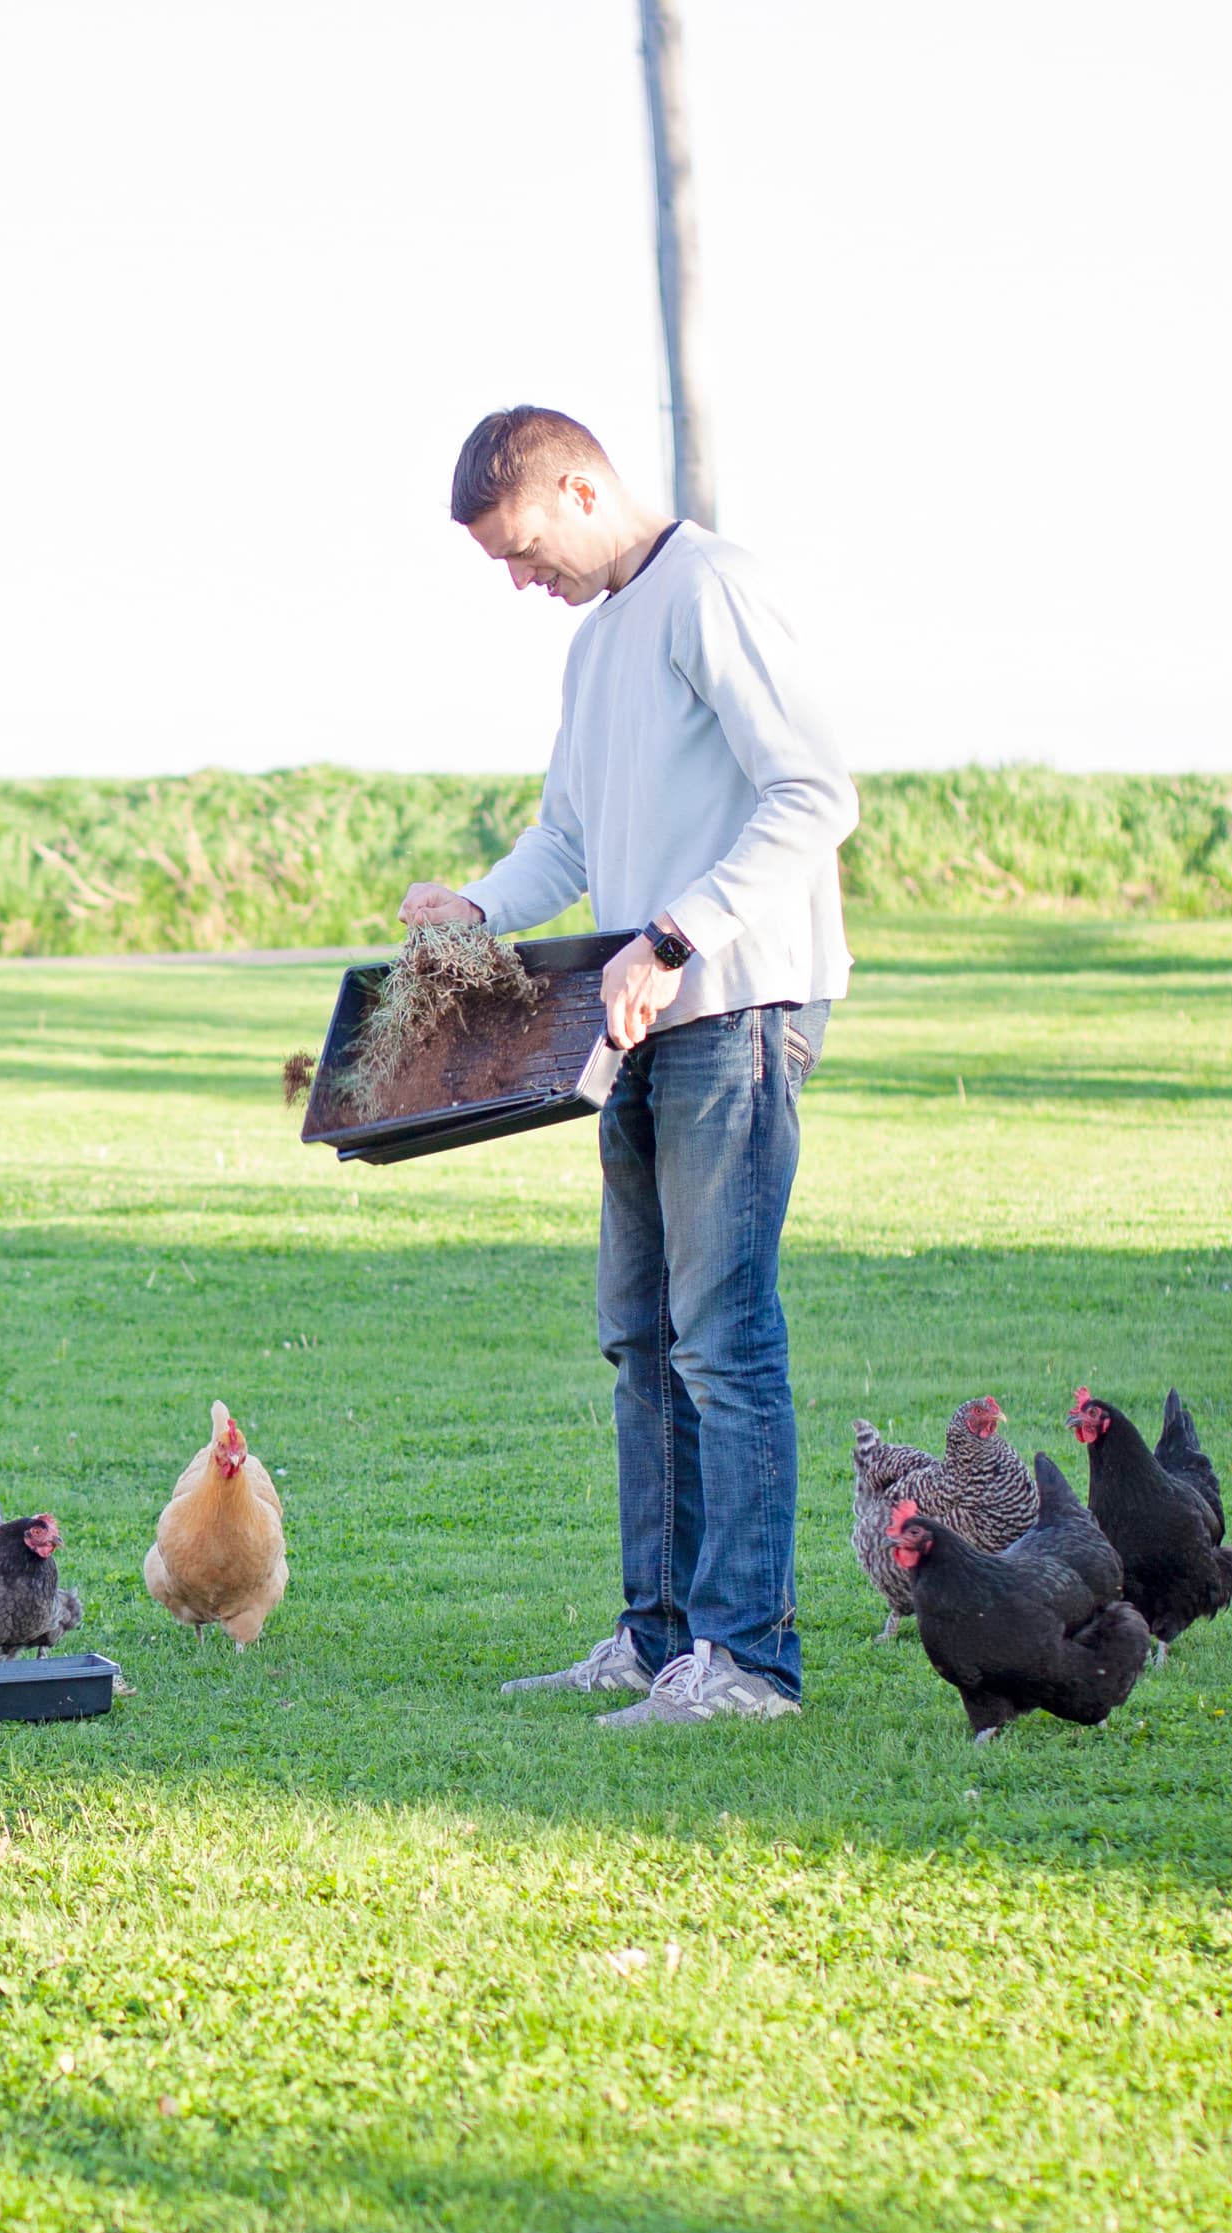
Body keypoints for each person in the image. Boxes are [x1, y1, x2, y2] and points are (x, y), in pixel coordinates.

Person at [398, 406, 854, 1728]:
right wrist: (478, 911)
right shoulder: (598, 646)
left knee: (721, 1338)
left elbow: (816, 793)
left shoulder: (714, 594)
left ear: (584, 489)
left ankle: (750, 1666)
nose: (518, 581)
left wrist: (673, 933)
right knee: (639, 1338)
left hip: (736, 1007)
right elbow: (571, 837)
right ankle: (658, 1642)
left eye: (525, 549)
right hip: (631, 1022)